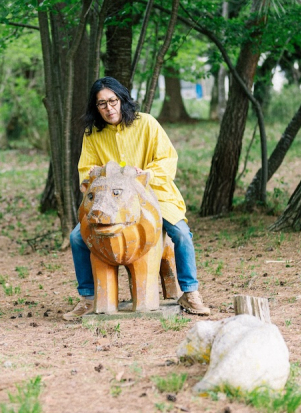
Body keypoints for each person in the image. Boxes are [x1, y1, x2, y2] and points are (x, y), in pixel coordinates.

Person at [63, 76, 211, 320]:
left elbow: (168, 158)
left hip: (154, 195)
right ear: (95, 107)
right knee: (77, 237)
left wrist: (149, 173)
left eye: (113, 101)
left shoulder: (147, 124)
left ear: (122, 100)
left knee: (181, 234)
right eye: (102, 104)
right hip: (111, 203)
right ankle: (88, 298)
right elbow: (86, 169)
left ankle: (190, 292)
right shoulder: (93, 134)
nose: (109, 108)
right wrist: (90, 177)